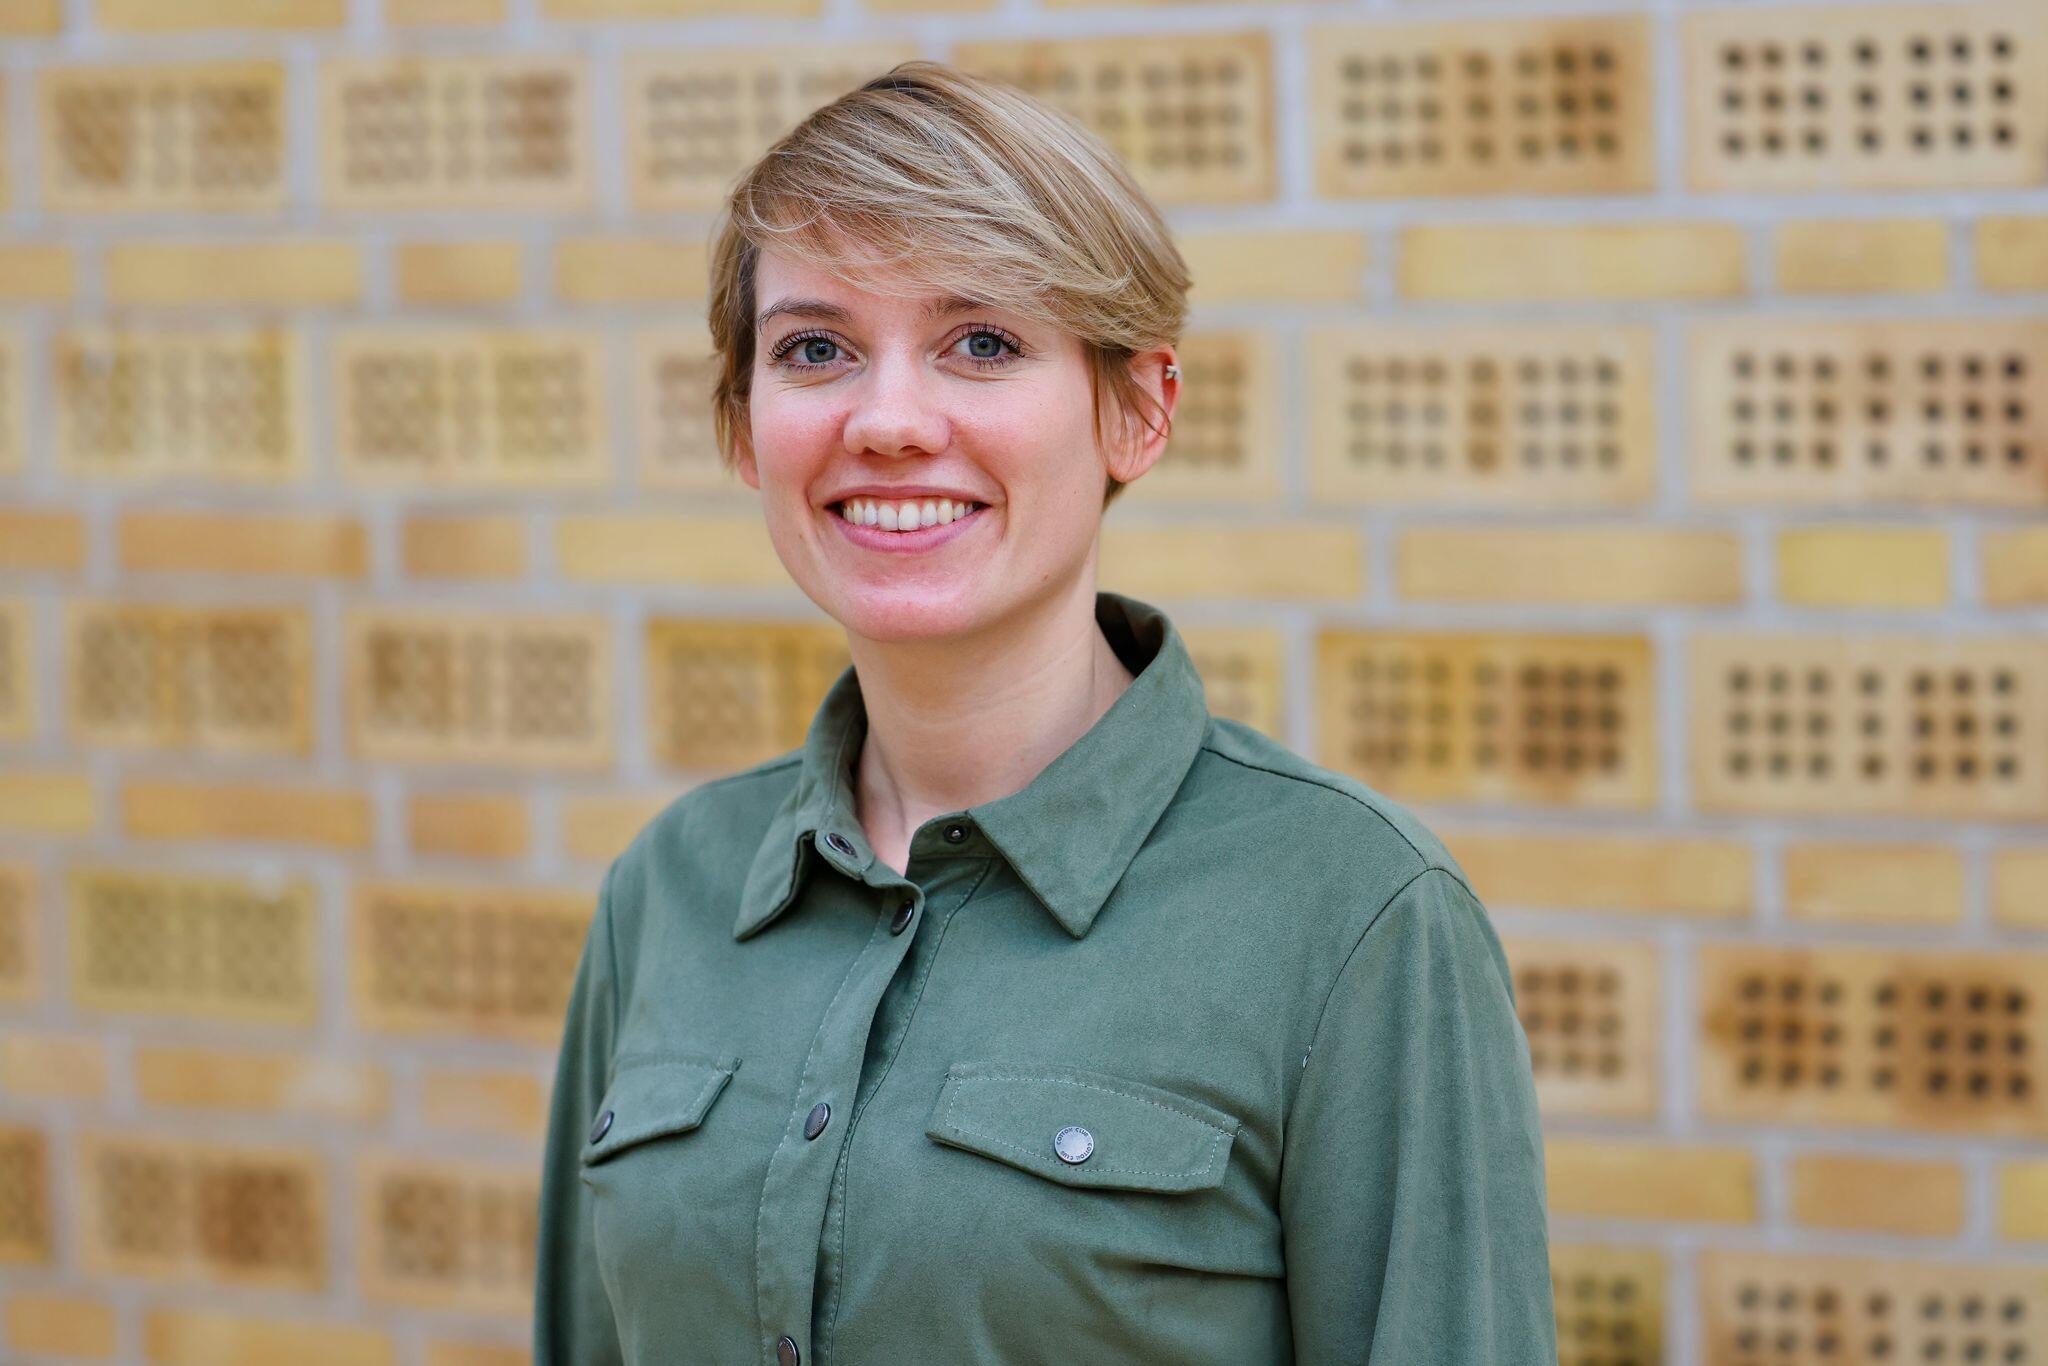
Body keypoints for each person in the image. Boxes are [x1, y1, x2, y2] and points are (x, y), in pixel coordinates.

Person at [534, 59, 1556, 1366]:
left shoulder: (1356, 919)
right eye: (815, 348)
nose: (888, 421)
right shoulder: (669, 887)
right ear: (744, 426)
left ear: (1139, 410)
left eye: (983, 342)